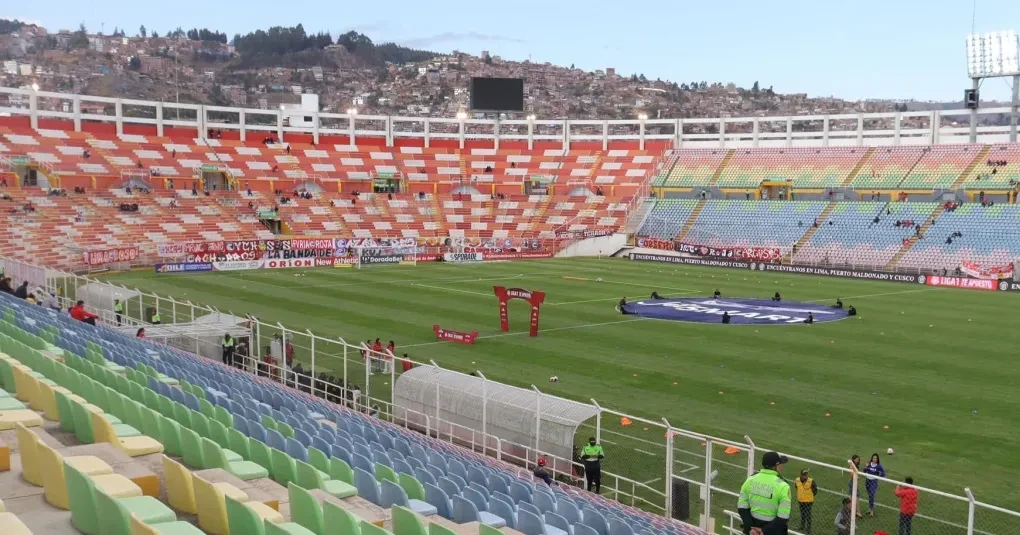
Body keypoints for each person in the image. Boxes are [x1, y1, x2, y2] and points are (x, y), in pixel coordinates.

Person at [737, 451, 791, 535]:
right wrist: (764, 531)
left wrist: (751, 528)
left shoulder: (750, 480)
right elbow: (783, 517)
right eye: (780, 464)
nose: (781, 467)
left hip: (752, 532)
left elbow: (742, 507)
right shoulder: (783, 486)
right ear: (776, 467)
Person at [795, 469, 817, 535]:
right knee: (802, 514)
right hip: (801, 501)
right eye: (804, 475)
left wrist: (808, 496)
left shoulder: (811, 481)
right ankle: (802, 526)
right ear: (801, 475)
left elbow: (815, 491)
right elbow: (797, 487)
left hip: (808, 502)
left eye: (806, 474)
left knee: (808, 515)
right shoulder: (797, 480)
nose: (805, 476)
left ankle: (808, 529)